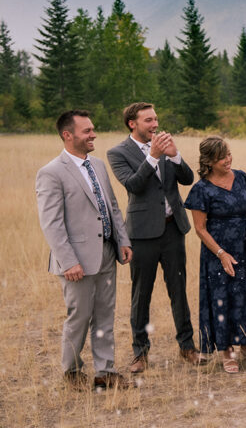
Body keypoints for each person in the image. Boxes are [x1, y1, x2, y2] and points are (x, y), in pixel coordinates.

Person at [36, 110, 134, 391]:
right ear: (68, 135)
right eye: (87, 131)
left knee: (105, 313)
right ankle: (72, 372)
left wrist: (123, 240)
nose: (93, 135)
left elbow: (112, 206)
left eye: (93, 129)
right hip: (75, 260)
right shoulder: (51, 173)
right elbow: (52, 223)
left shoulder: (99, 165)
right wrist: (69, 261)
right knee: (79, 316)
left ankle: (105, 372)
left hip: (106, 252)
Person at [107, 102, 200, 373]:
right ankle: (140, 353)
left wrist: (174, 156)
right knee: (141, 294)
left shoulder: (165, 146)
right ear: (132, 124)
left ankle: (187, 347)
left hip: (173, 230)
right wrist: (153, 157)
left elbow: (187, 179)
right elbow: (134, 185)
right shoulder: (118, 153)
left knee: (178, 291)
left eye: (156, 119)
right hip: (142, 234)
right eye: (148, 120)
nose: (155, 125)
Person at [184, 137, 246, 373]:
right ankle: (226, 351)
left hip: (243, 249)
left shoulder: (241, 177)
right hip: (216, 253)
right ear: (209, 161)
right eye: (222, 157)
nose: (228, 159)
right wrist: (221, 254)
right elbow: (200, 229)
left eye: (229, 154)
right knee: (221, 299)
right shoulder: (201, 189)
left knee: (245, 296)